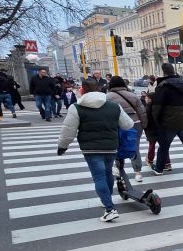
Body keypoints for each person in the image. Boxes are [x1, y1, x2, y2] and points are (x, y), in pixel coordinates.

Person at [56, 77, 134, 222]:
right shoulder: (114, 106)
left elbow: (68, 131)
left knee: (99, 177)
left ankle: (109, 208)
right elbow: (128, 125)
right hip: (111, 147)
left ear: (82, 90)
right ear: (99, 89)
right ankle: (107, 200)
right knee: (107, 173)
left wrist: (62, 147)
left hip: (90, 149)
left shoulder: (76, 107)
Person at [151, 62, 183, 177]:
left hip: (168, 122)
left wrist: (156, 120)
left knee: (163, 146)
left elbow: (157, 106)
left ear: (163, 72)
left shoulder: (163, 85)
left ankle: (159, 168)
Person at [107, 75, 148, 182]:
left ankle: (119, 169)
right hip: (135, 123)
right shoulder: (132, 95)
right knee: (135, 147)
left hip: (117, 125)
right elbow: (142, 112)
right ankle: (137, 173)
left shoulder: (108, 97)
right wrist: (144, 125)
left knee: (117, 146)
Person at [141, 91, 171, 171]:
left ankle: (150, 160)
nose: (145, 99)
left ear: (149, 99)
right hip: (160, 128)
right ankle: (167, 163)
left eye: (146, 97)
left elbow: (145, 119)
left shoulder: (147, 108)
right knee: (163, 147)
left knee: (152, 145)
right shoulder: (158, 107)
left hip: (151, 129)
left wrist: (144, 127)